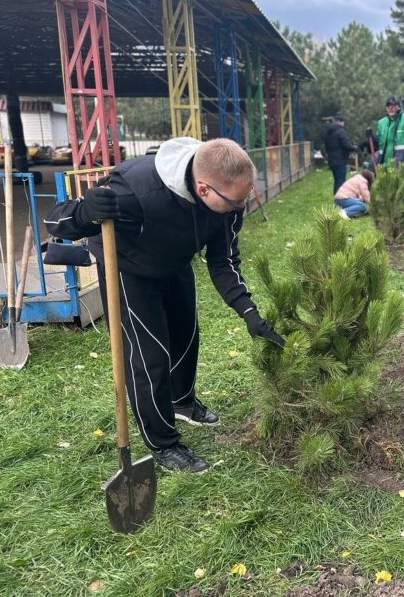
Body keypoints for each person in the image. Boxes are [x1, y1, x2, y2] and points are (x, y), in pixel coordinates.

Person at [44, 137, 284, 473]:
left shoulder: (227, 203)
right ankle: (163, 444)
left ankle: (182, 402)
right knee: (149, 357)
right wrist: (86, 211)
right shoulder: (133, 190)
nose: (241, 206)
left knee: (186, 335)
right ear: (203, 189)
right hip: (129, 269)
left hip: (175, 261)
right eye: (237, 201)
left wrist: (248, 311)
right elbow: (55, 221)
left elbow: (223, 261)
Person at [375, 96, 404, 170]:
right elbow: (378, 144)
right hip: (385, 166)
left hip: (402, 166)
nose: (390, 108)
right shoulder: (381, 123)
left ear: (398, 107)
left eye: (393, 106)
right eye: (388, 106)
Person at [324, 114, 355, 194]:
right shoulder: (341, 131)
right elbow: (346, 145)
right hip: (340, 160)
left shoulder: (329, 132)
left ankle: (337, 197)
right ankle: (340, 199)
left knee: (337, 180)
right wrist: (354, 148)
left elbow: (326, 146)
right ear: (341, 122)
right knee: (341, 181)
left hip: (332, 160)